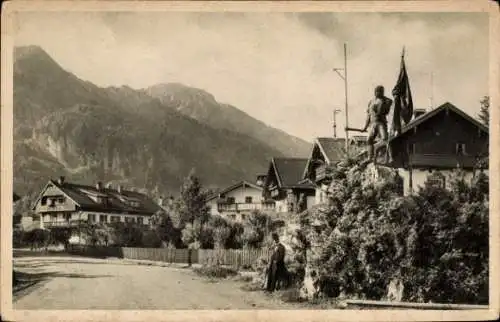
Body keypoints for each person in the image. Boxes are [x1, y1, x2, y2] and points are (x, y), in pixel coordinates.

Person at [361, 85, 393, 163]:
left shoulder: (386, 101)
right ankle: (370, 157)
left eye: (380, 91)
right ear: (375, 92)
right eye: (377, 91)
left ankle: (390, 156)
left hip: (381, 123)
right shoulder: (371, 102)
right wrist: (365, 127)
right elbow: (368, 115)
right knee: (369, 140)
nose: (378, 93)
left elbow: (387, 110)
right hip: (373, 124)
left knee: (385, 139)